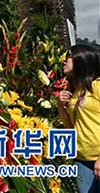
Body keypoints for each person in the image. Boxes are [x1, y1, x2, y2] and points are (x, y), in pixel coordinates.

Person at [57, 45, 100, 193]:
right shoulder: (75, 92)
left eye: (68, 57)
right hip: (81, 158)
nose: (64, 61)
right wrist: (60, 106)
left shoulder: (98, 86)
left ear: (81, 60)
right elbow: (71, 128)